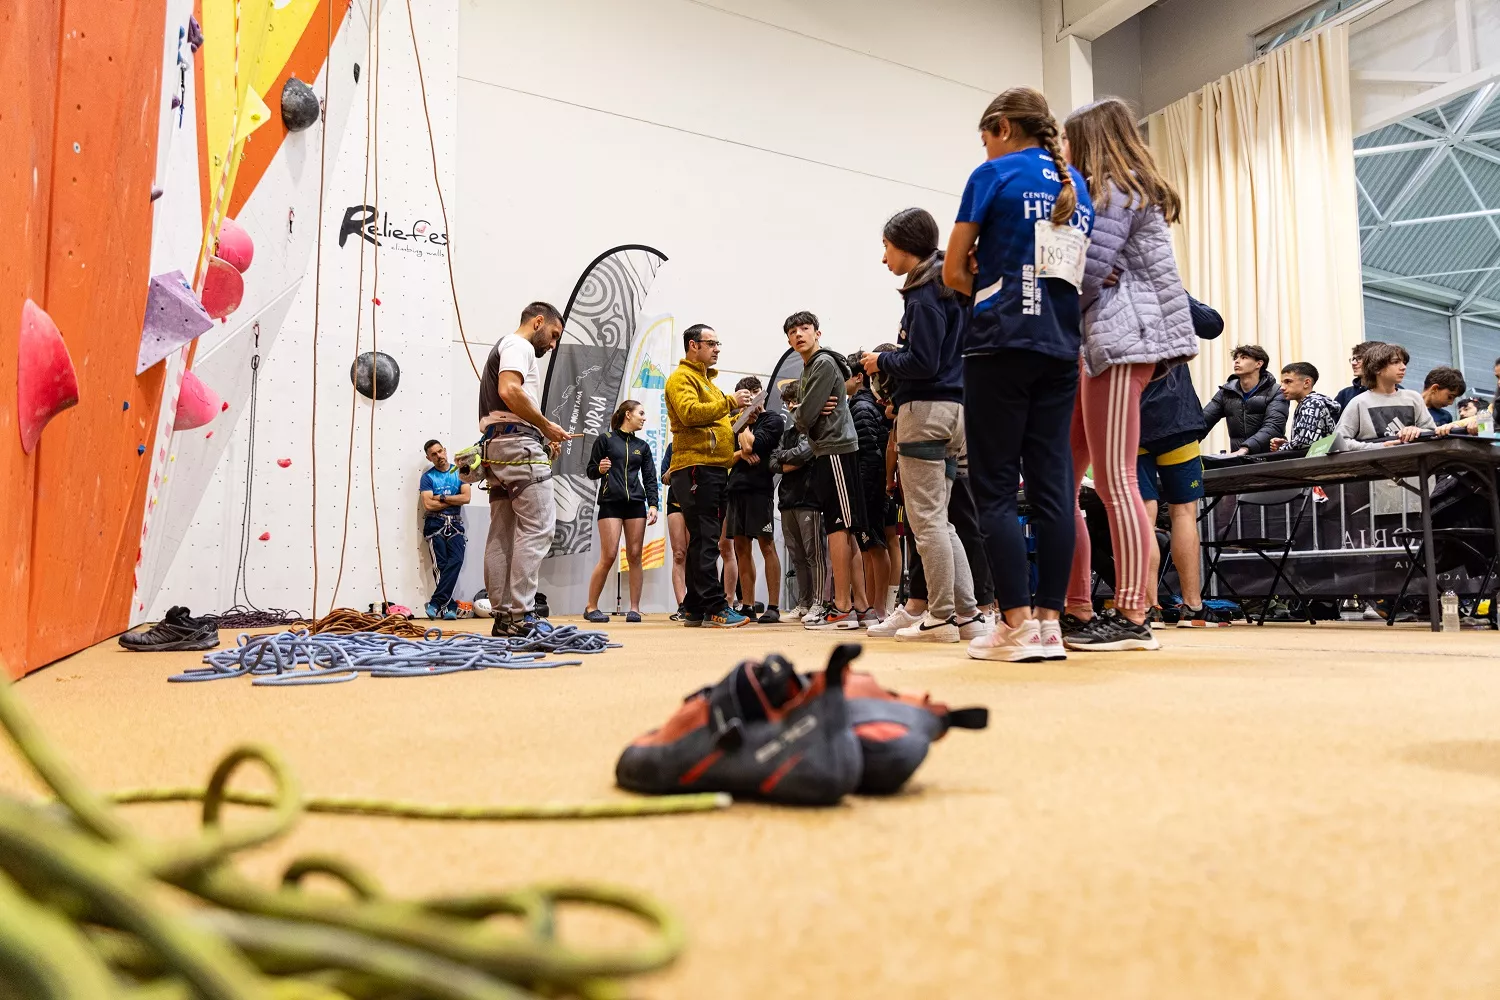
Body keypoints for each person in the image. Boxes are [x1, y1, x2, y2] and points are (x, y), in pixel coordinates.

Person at [943, 87, 1095, 661]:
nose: (984, 151)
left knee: (997, 489)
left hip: (999, 343)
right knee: (1056, 488)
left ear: (1002, 126)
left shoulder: (993, 176)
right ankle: (1051, 625)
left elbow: (955, 271)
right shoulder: (1075, 185)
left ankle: (1014, 625)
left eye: (985, 139)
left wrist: (983, 274)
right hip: (1060, 348)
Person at [1058, 96, 1199, 652]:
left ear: (1088, 140)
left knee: (1115, 480)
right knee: (1061, 481)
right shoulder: (1109, 191)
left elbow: (1081, 272)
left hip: (1121, 343)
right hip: (1095, 344)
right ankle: (1076, 606)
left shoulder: (1119, 188)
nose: (1062, 152)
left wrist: (1061, 272)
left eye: (1068, 141)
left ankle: (1135, 613)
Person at [862, 207, 984, 643]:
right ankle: (967, 616)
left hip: (926, 411)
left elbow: (921, 361)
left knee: (926, 523)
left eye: (886, 248)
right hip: (956, 411)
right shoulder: (953, 285)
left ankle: (941, 616)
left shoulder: (923, 292)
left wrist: (881, 360)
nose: (884, 259)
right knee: (943, 522)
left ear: (905, 246)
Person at [473, 302, 575, 636]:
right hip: (518, 447)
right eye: (554, 335)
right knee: (538, 528)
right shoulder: (518, 345)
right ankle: (520, 614)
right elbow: (509, 390)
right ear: (538, 322)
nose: (553, 344)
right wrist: (544, 426)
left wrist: (540, 432)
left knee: (502, 533)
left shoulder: (502, 347)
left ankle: (504, 617)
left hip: (497, 448)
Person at [665, 324, 755, 627]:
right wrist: (730, 403)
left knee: (702, 539)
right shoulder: (681, 379)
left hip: (711, 467)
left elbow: (716, 425)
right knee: (706, 538)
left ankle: (693, 606)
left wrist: (741, 416)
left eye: (719, 343)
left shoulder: (707, 382)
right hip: (696, 468)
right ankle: (717, 606)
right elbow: (690, 413)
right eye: (712, 343)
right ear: (694, 345)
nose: (717, 348)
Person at [787, 312, 865, 630]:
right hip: (827, 451)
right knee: (844, 530)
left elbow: (803, 417)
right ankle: (860, 605)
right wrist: (807, 409)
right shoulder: (810, 367)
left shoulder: (821, 363)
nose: (798, 334)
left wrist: (805, 411)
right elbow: (805, 412)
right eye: (792, 331)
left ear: (817, 333)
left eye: (804, 328)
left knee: (838, 529)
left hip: (835, 450)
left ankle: (843, 607)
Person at [582, 400, 659, 624]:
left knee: (635, 555)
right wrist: (599, 469)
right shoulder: (605, 440)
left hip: (636, 504)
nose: (644, 418)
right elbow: (590, 471)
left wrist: (652, 504)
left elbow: (651, 478)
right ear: (628, 414)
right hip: (610, 503)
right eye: (641, 413)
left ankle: (634, 608)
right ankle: (591, 606)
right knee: (609, 555)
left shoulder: (642, 446)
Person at [725, 376, 785, 623]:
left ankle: (772, 606)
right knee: (741, 547)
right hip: (735, 488)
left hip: (759, 489)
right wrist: (741, 450)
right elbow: (727, 458)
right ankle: (747, 604)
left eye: (753, 394)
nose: (749, 399)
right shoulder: (735, 423)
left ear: (760, 394)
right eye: (744, 396)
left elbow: (751, 447)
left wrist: (745, 429)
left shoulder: (772, 419)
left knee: (766, 544)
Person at [770, 381, 824, 621]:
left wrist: (785, 461)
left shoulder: (815, 429)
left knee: (814, 555)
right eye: (787, 402)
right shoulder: (787, 434)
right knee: (797, 556)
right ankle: (803, 603)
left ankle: (819, 603)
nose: (791, 406)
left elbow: (805, 453)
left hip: (810, 498)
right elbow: (772, 463)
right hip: (787, 500)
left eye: (794, 401)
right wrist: (788, 460)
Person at [846, 357, 893, 623]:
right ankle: (874, 608)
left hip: (870, 486)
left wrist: (862, 489)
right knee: (869, 547)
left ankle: (881, 608)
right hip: (871, 483)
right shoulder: (862, 405)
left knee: (875, 545)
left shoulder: (861, 407)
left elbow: (869, 452)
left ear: (859, 378)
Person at [1332, 343, 1435, 450]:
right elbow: (1339, 441)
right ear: (1377, 368)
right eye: (1395, 362)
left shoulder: (1414, 398)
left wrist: (1417, 431)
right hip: (1373, 464)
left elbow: (1433, 432)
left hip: (1413, 463)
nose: (1403, 367)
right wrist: (1376, 447)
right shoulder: (1359, 402)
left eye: (1404, 363)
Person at [1201, 345, 1288, 455]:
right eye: (1236, 358)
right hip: (1239, 460)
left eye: (1244, 357)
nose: (1237, 361)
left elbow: (1273, 427)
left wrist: (1245, 449)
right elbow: (1203, 422)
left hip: (1269, 459)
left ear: (1259, 364)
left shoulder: (1276, 391)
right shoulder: (1226, 392)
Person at [419, 439, 470, 620]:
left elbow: (466, 498)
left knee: (456, 561)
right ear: (429, 457)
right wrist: (451, 498)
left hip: (455, 524)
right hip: (435, 525)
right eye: (434, 454)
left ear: (445, 450)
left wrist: (440, 497)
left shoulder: (459, 473)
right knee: (440, 566)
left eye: (440, 451)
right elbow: (427, 504)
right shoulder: (428, 477)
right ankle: (450, 607)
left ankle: (435, 603)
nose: (439, 456)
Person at [1270, 362, 1341, 450]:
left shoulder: (1312, 404)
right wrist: (1289, 444)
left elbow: (1305, 443)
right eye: (1282, 382)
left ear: (1306, 383)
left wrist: (1282, 448)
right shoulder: (1310, 403)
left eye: (1288, 381)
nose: (1282, 387)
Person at [658, 443, 689, 620]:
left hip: (697, 503)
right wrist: (673, 469)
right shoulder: (673, 447)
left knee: (697, 553)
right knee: (679, 554)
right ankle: (682, 606)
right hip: (675, 503)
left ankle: (698, 601)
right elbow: (664, 478)